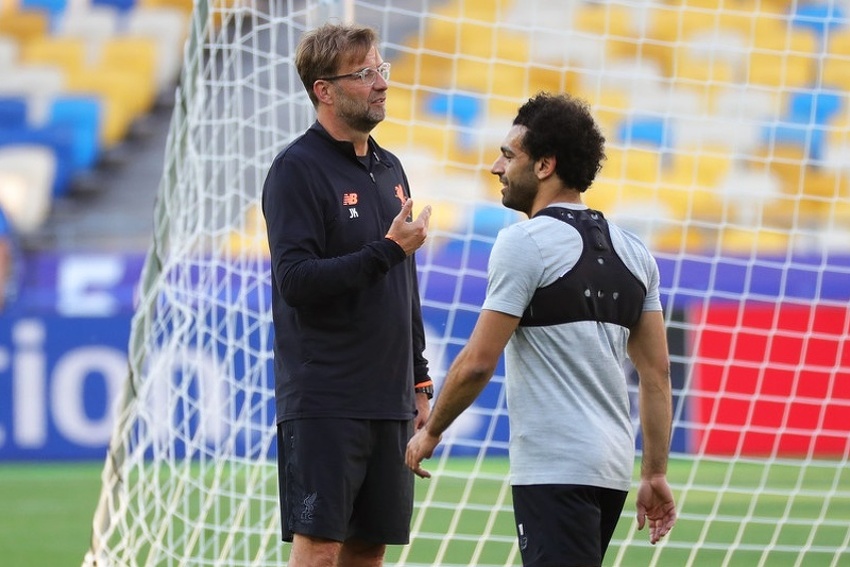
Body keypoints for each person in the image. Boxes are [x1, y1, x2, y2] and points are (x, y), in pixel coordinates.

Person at [406, 93, 677, 566]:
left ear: (546, 165)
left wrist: (431, 433)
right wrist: (654, 472)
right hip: (611, 470)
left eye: (509, 156)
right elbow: (657, 376)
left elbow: (476, 363)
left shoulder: (522, 243)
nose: (496, 167)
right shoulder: (636, 253)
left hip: (555, 467)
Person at [261, 22, 433, 567]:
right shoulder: (296, 170)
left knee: (368, 550)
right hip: (325, 398)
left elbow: (403, 284)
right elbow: (296, 282)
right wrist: (386, 250)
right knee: (322, 550)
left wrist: (419, 377)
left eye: (380, 69)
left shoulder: (391, 168)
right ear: (324, 90)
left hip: (388, 398)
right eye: (364, 73)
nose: (380, 83)